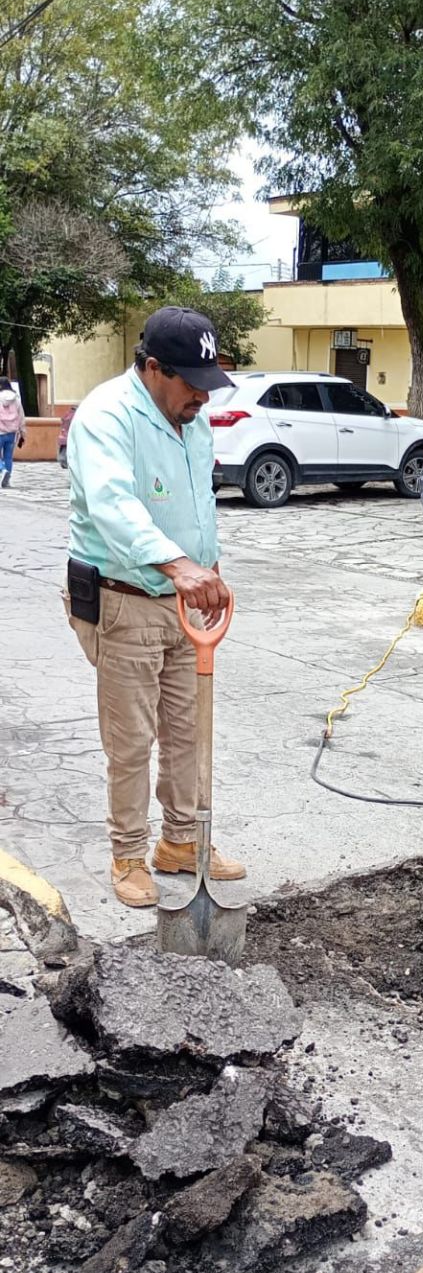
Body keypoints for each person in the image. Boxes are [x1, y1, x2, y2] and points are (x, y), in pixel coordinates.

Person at [65, 306, 246, 908]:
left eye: (208, 381)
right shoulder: (106, 415)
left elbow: (199, 503)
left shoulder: (192, 420)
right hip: (125, 599)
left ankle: (180, 841)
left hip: (185, 602)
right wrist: (178, 567)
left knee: (188, 731)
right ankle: (126, 855)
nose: (202, 395)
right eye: (191, 382)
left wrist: (208, 566)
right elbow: (113, 505)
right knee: (132, 737)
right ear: (151, 367)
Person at [0, 376, 25, 488]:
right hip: (12, 433)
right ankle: (6, 481)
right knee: (8, 457)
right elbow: (21, 416)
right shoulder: (16, 399)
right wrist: (23, 432)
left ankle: (2, 469)